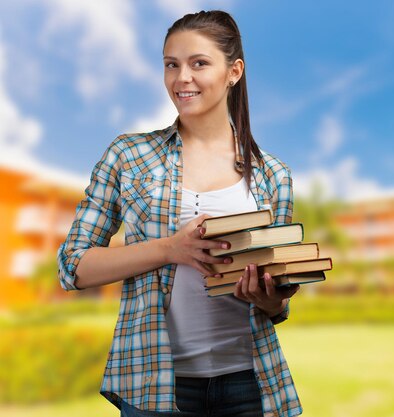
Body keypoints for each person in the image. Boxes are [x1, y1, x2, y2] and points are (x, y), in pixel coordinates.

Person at [58, 10, 302, 417]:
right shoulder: (129, 156)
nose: (181, 78)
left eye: (198, 63)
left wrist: (270, 300)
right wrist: (172, 249)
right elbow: (73, 266)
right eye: (171, 65)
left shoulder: (273, 175)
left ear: (234, 72)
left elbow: (277, 303)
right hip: (154, 385)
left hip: (250, 381)